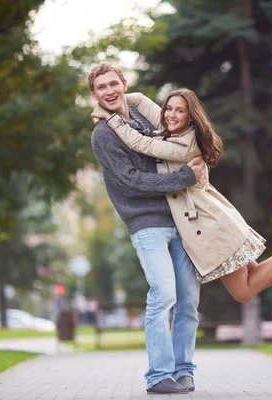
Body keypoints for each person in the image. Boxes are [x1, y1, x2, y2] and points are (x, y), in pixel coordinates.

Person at [91, 88, 272, 304]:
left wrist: (109, 116)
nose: (171, 114)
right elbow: (144, 103)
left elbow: (140, 144)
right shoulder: (172, 130)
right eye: (168, 108)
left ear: (190, 118)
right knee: (253, 274)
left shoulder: (181, 145)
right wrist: (123, 98)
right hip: (214, 219)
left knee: (244, 292)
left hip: (209, 226)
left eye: (179, 111)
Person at [88, 63, 207, 394]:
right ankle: (158, 375)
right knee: (164, 293)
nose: (110, 91)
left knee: (188, 300)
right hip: (145, 222)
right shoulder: (104, 135)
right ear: (94, 95)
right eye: (102, 88)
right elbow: (130, 181)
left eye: (114, 83)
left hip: (181, 218)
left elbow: (179, 135)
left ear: (124, 84)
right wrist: (185, 177)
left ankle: (184, 371)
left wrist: (197, 166)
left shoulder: (143, 118)